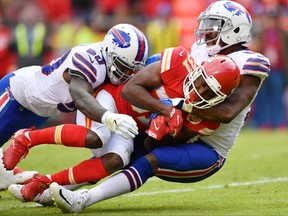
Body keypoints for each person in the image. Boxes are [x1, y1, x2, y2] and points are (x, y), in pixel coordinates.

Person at [48, 1, 271, 213]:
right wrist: (163, 107)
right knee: (115, 156)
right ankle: (46, 189)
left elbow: (228, 113)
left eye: (215, 25)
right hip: (175, 123)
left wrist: (178, 106)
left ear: (234, 30)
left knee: (149, 162)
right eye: (207, 24)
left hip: (207, 147)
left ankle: (85, 199)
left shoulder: (250, 63)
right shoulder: (201, 51)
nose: (206, 31)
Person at [8, 48, 239, 205]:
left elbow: (151, 146)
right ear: (198, 69)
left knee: (115, 161)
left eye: (210, 92)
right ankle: (28, 138)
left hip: (129, 127)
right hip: (110, 100)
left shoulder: (208, 117)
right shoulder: (179, 61)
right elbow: (130, 89)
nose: (201, 90)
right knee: (97, 137)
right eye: (202, 82)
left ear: (221, 97)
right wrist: (166, 110)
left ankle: (43, 181)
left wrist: (158, 131)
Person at [0, 23, 149, 190]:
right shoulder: (89, 59)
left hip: (39, 111)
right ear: (109, 52)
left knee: (97, 137)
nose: (126, 74)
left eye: (132, 70)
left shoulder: (107, 65)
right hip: (16, 93)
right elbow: (79, 95)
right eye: (123, 66)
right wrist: (109, 117)